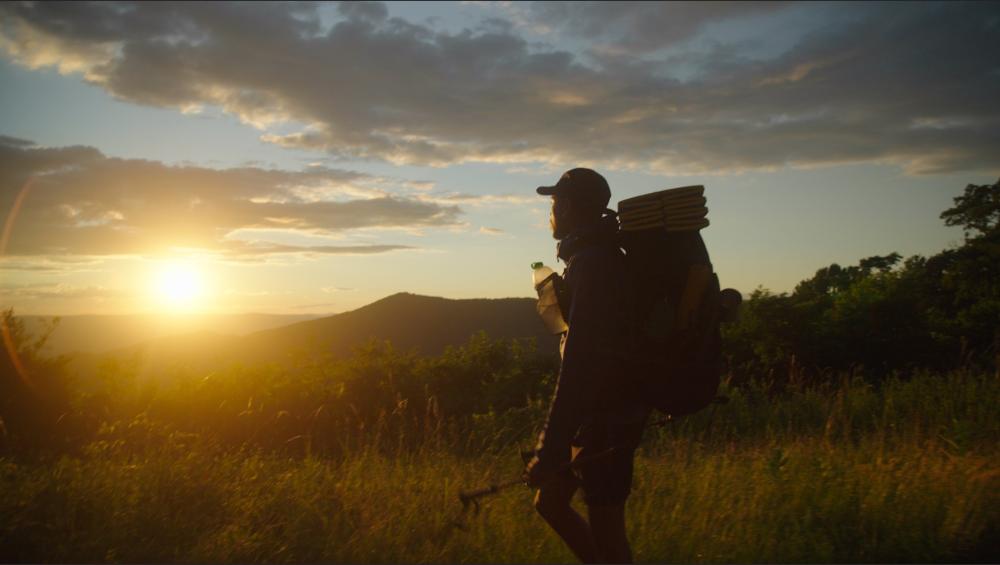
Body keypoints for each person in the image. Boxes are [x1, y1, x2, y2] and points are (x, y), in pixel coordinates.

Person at [524, 168, 650, 563]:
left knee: (609, 532)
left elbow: (580, 360)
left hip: (608, 418)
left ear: (573, 208)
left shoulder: (594, 264)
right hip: (601, 414)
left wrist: (550, 444)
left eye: (555, 203)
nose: (551, 212)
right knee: (550, 502)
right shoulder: (591, 258)